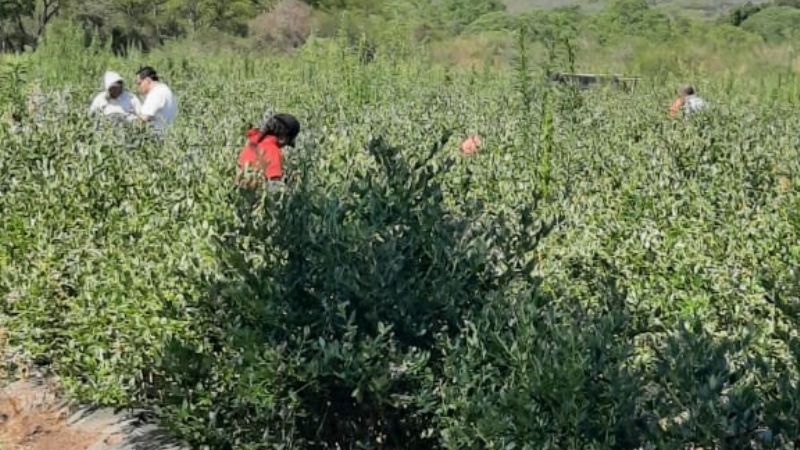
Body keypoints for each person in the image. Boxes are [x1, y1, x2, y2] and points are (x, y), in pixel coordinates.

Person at [237, 113, 301, 189]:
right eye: (287, 142)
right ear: (283, 138)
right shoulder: (273, 151)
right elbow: (274, 185)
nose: (284, 146)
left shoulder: (252, 140)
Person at [135, 66, 178, 132]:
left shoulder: (155, 94)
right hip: (169, 133)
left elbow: (143, 119)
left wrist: (127, 127)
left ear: (147, 80)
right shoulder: (165, 88)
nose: (138, 87)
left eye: (139, 83)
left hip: (158, 135)